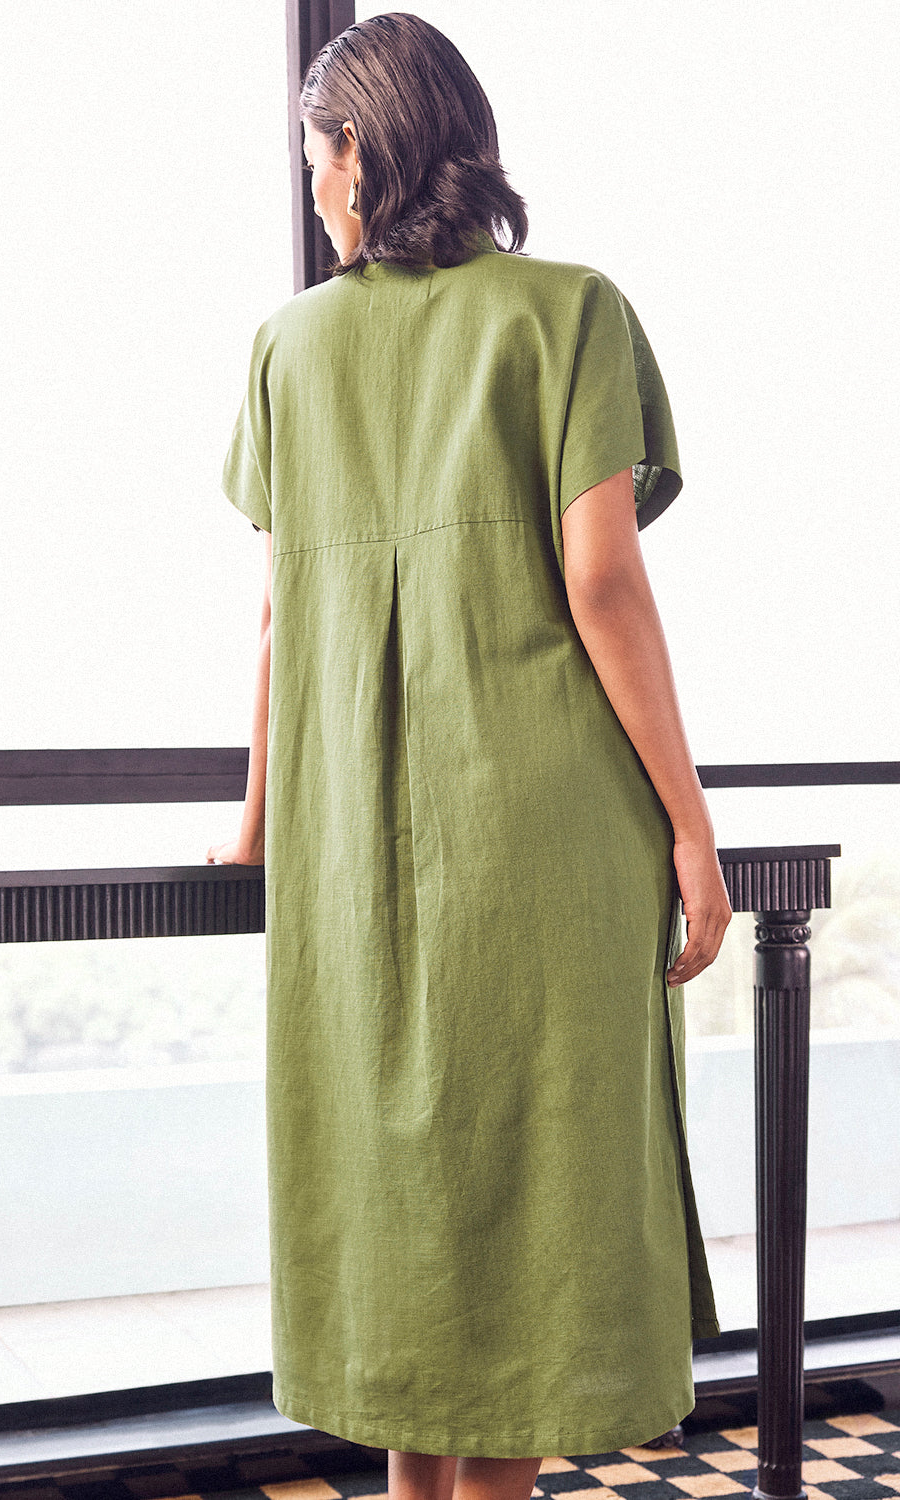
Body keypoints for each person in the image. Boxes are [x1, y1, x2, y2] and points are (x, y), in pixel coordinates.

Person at [208, 13, 732, 1500]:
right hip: (542, 824)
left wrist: (253, 829)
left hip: (347, 843)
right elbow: (603, 582)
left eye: (316, 154)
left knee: (398, 1180)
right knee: (524, 1186)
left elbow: (276, 617)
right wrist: (690, 830)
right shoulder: (568, 312)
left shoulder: (289, 347)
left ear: (360, 147)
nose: (314, 186)